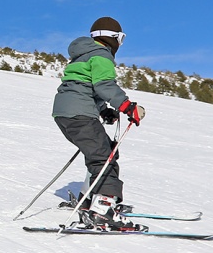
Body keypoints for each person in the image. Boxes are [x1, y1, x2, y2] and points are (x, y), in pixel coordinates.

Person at [51, 16, 146, 230]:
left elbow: (84, 87)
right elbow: (104, 86)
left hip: (65, 114)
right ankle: (103, 210)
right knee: (105, 158)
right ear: (113, 38)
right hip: (80, 114)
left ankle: (89, 200)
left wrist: (104, 111)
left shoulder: (82, 55)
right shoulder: (101, 55)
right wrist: (127, 107)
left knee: (99, 153)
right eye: (121, 38)